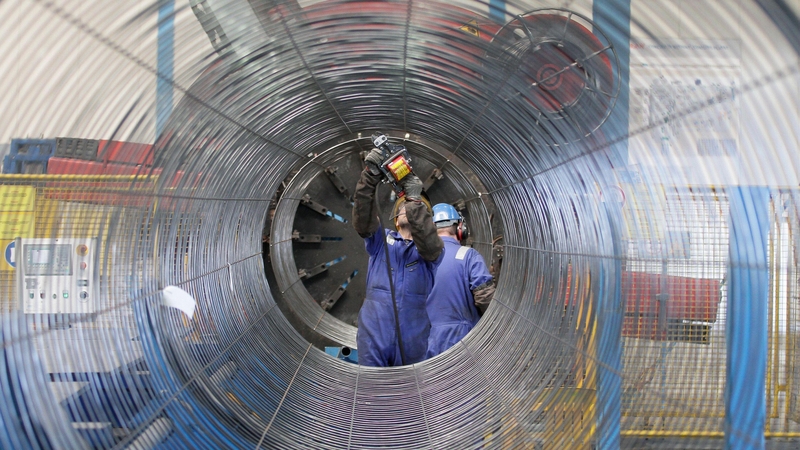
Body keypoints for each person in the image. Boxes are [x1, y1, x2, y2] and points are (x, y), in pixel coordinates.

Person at [352, 142, 444, 367]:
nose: (406, 209)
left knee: (407, 396)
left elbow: (430, 246)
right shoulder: (380, 240)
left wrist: (414, 198)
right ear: (394, 216)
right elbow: (363, 221)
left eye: (413, 207)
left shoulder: (431, 251)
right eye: (403, 206)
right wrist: (370, 176)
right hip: (374, 332)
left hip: (413, 337)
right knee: (372, 392)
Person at [425, 203, 495, 359]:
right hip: (466, 342)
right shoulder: (468, 256)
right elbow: (485, 297)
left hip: (427, 346)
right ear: (460, 228)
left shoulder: (418, 260)